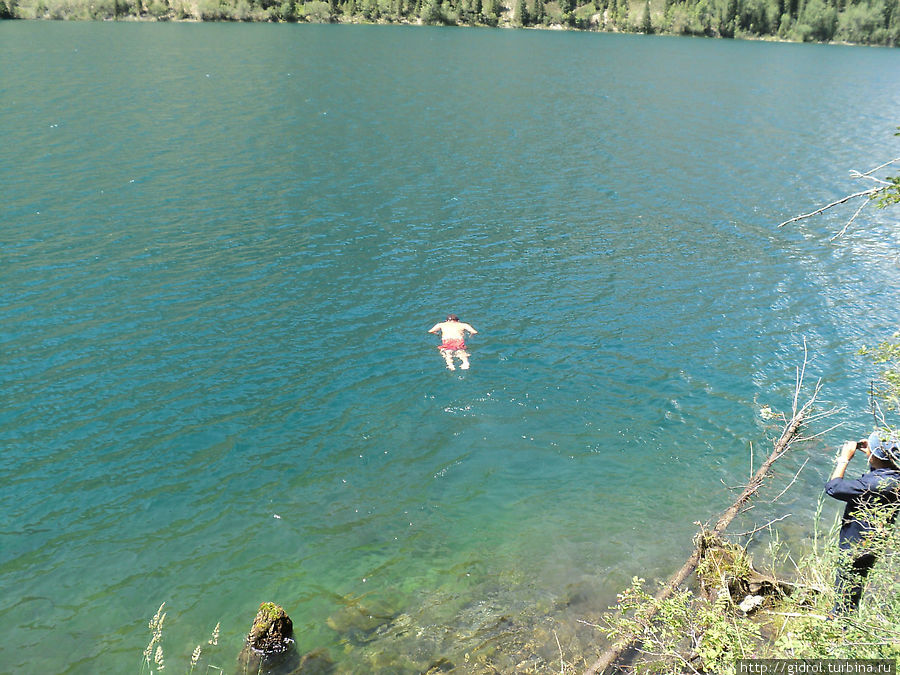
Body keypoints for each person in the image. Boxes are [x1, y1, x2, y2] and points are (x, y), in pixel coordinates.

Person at [824, 431, 900, 614]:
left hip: (857, 545)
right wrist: (873, 452)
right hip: (873, 541)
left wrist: (844, 458)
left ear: (876, 456)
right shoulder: (892, 478)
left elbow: (833, 488)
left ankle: (839, 629)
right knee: (853, 587)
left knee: (846, 590)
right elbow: (881, 471)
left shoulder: (872, 485)